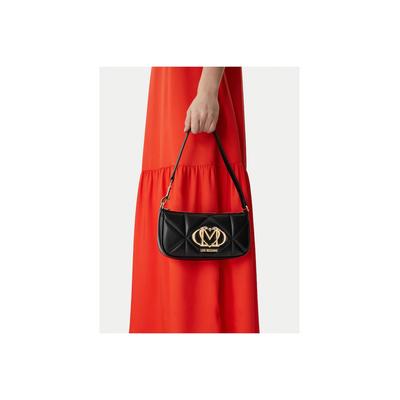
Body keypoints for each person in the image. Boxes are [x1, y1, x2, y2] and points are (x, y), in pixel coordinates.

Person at [129, 67, 259, 333]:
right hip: (169, 94)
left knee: (196, 218)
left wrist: (208, 89)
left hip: (195, 87)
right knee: (171, 223)